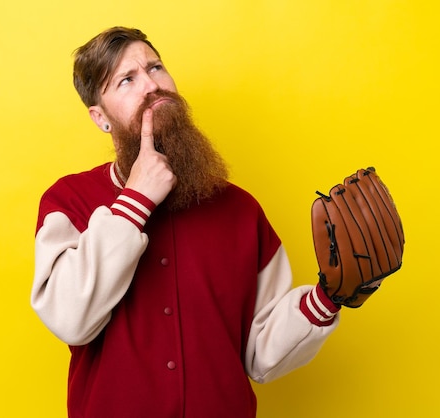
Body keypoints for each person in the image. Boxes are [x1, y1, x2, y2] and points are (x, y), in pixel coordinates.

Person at [31, 26, 340, 418]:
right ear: (100, 117)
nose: (151, 86)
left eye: (156, 68)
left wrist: (327, 298)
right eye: (127, 79)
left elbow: (261, 355)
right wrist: (136, 201)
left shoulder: (240, 209)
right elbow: (69, 318)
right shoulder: (67, 202)